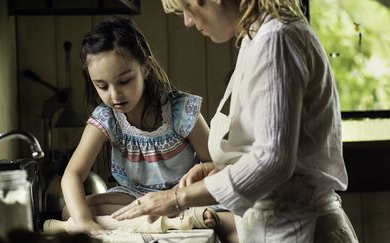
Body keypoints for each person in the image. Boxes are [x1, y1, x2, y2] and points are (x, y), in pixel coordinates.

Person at [112, 0, 359, 242]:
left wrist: (178, 197)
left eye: (188, 8)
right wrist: (223, 169)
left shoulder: (275, 39)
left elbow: (274, 161)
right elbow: (282, 151)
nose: (188, 21)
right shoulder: (259, 37)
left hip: (300, 229)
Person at [61, 17, 236, 239]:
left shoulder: (180, 110)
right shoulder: (106, 117)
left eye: (124, 81)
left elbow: (217, 166)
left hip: (183, 196)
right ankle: (182, 220)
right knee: (72, 211)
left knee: (234, 227)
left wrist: (184, 194)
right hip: (134, 199)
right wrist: (84, 222)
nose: (114, 95)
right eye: (102, 86)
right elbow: (72, 175)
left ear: (145, 68)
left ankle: (190, 215)